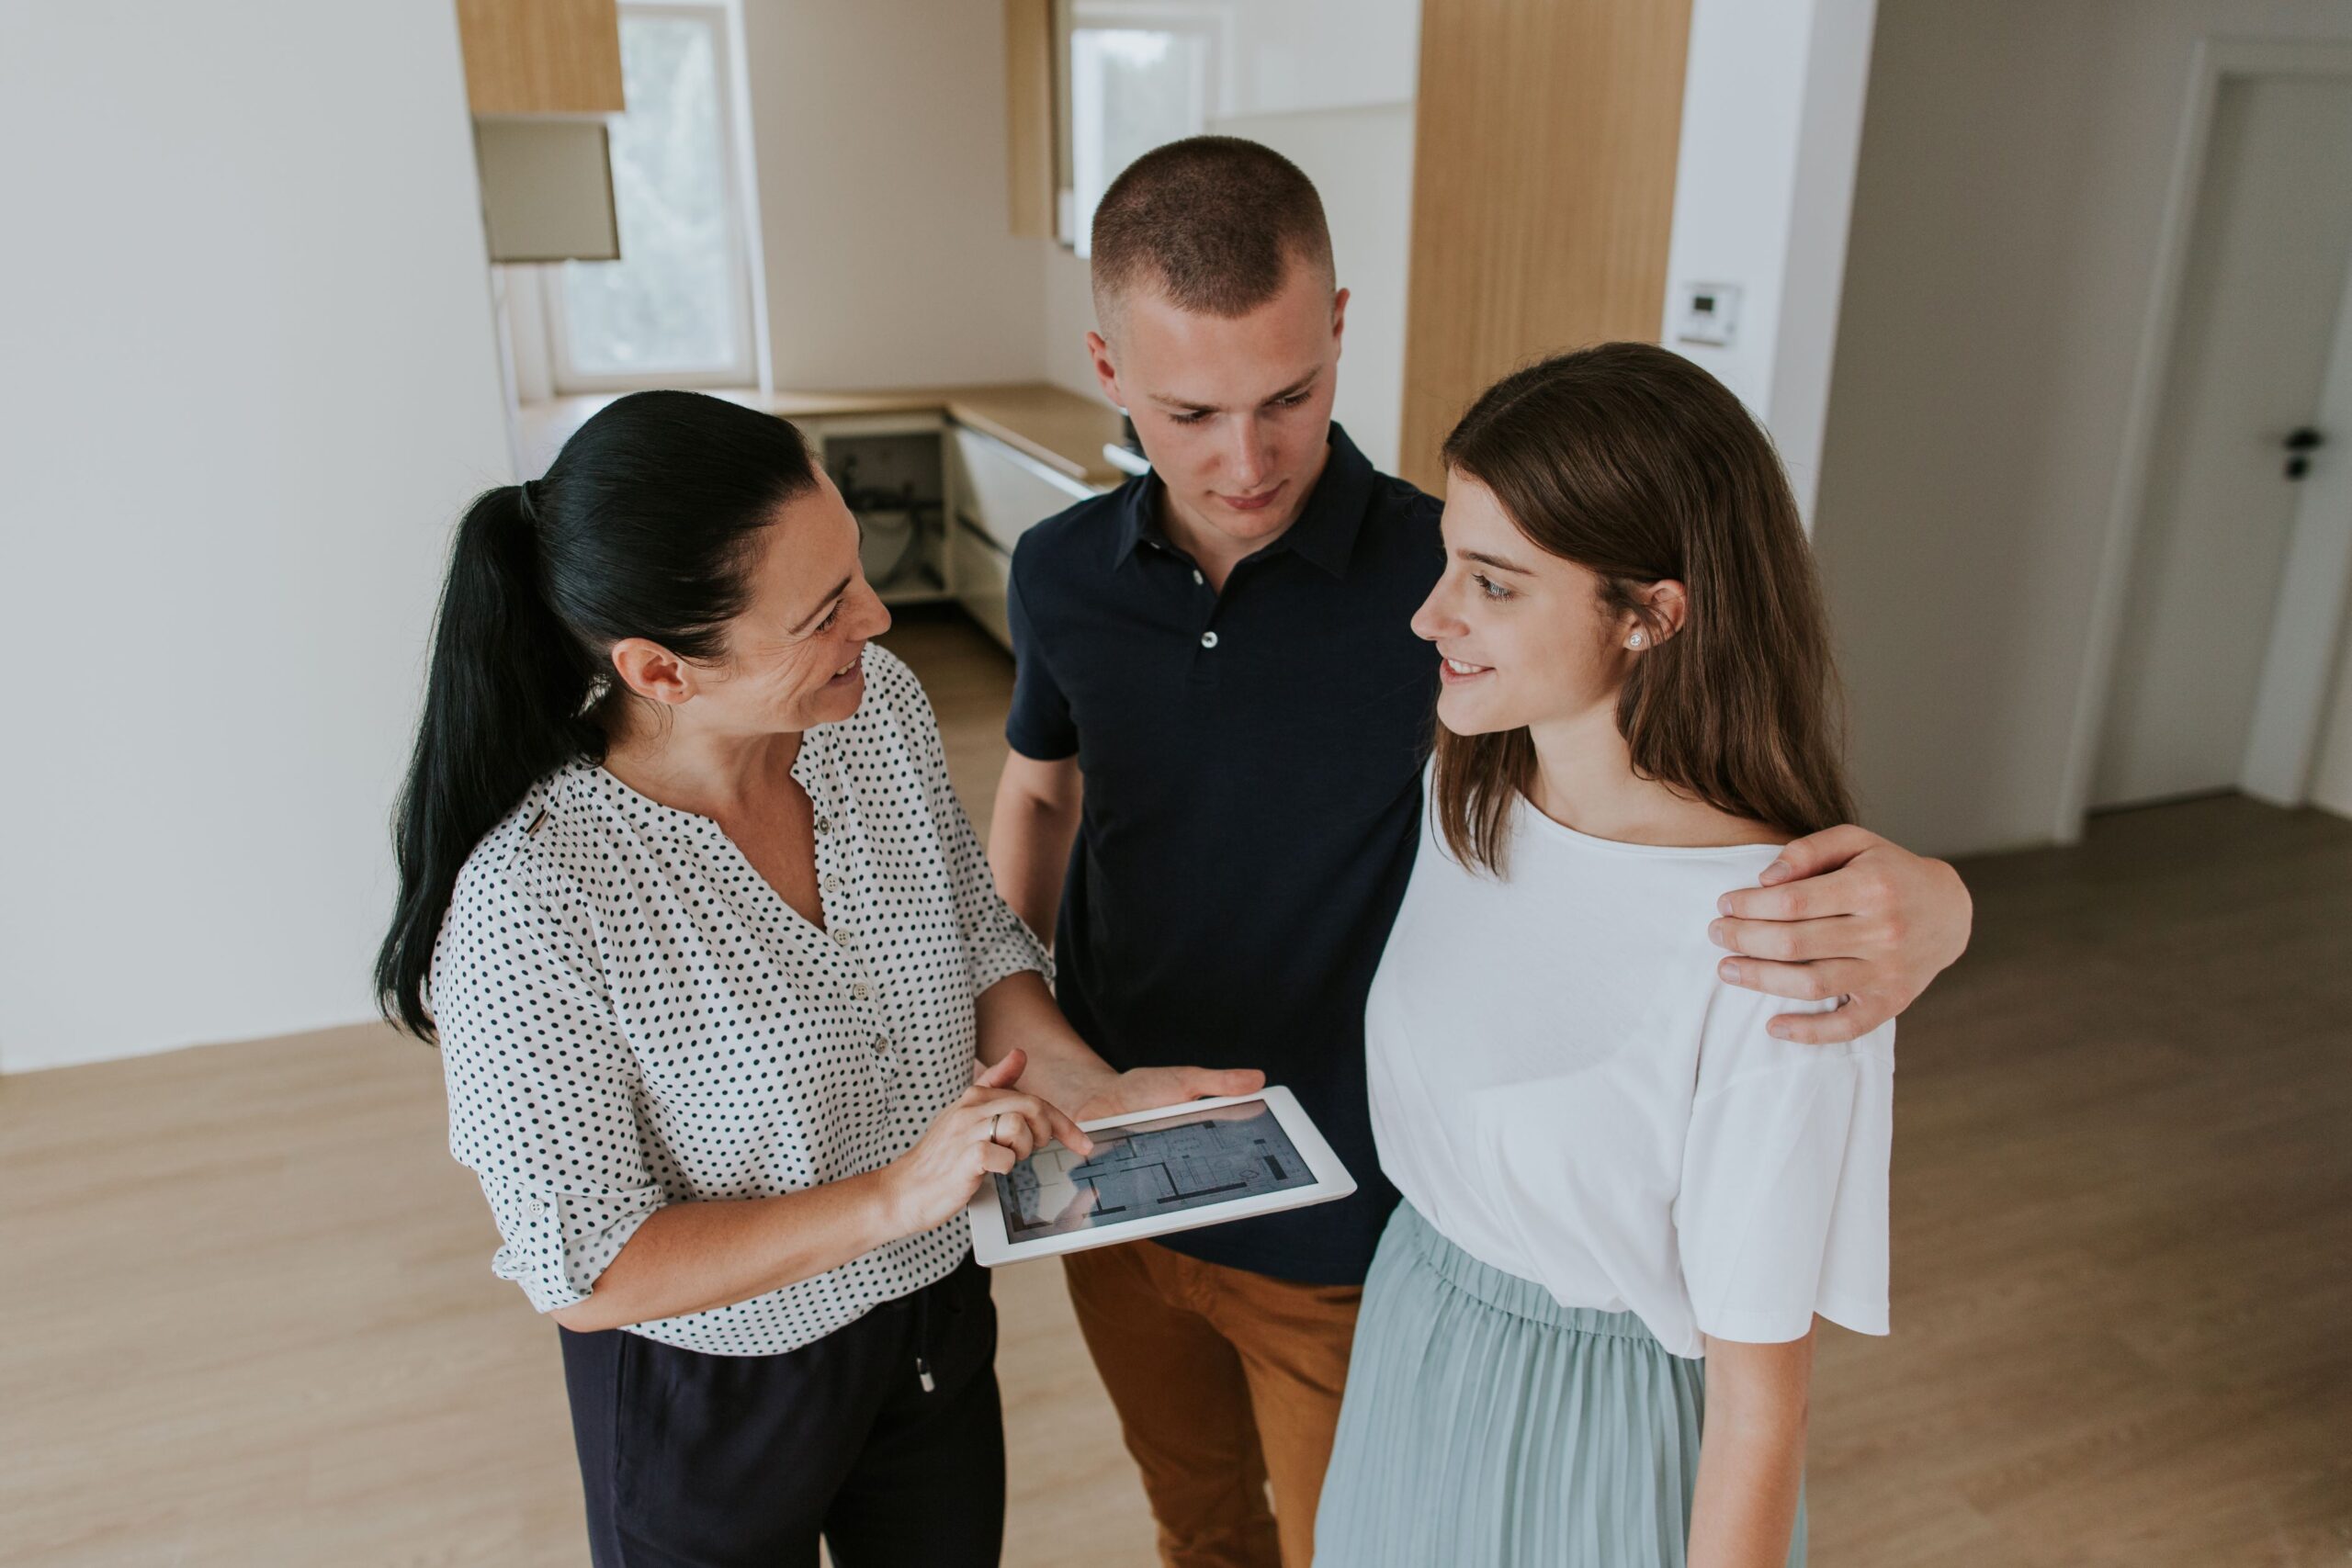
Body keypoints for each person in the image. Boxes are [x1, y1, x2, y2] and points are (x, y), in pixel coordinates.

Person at [988, 137, 1971, 1568]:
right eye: (1190, 411)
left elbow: (1672, 815)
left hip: (1353, 1227)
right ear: (1108, 368)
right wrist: (1024, 1032)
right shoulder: (1080, 577)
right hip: (1142, 1172)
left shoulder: (1458, 630)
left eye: (1289, 397)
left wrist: (1942, 901)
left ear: (1339, 331)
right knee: (1196, 1521)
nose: (1243, 459)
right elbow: (1040, 791)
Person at [374, 390, 1256, 1568]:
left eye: (858, 569)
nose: (881, 620)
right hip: (719, 1384)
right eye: (826, 610)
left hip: (934, 1320)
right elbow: (585, 1265)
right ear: (661, 670)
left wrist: (1085, 1087)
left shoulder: (873, 713)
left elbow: (978, 939)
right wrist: (897, 1194)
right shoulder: (533, 901)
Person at [1315, 342, 1889, 1566]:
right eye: (1446, 562)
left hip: (1591, 1429)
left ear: (1650, 613)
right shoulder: (1467, 789)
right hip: (1413, 1341)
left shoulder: (1777, 939)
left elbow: (1760, 1398)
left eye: (1495, 582)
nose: (1433, 614)